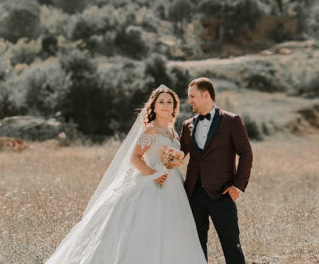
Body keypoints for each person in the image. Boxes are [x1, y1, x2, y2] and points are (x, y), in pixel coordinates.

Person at [46, 85, 206, 264]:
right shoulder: (149, 130)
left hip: (173, 184)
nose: (165, 105)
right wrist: (152, 174)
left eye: (169, 102)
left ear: (174, 107)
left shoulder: (172, 131)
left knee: (173, 228)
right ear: (153, 106)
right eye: (161, 101)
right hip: (150, 182)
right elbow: (135, 157)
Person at [181, 77, 253, 264]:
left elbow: (246, 153)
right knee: (196, 247)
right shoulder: (186, 125)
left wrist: (237, 187)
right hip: (194, 194)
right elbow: (179, 154)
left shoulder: (231, 121)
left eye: (192, 96)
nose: (189, 101)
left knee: (231, 246)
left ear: (206, 94)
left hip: (222, 193)